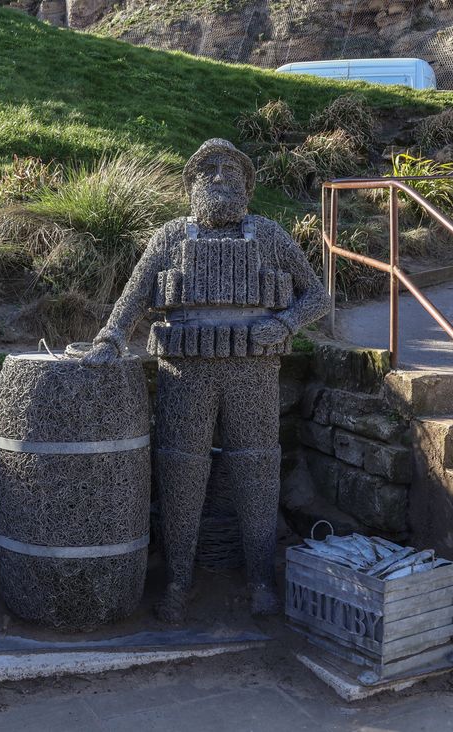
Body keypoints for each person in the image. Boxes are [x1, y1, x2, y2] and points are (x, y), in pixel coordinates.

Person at [83, 138, 329, 622]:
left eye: (231, 170)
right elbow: (132, 298)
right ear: (190, 184)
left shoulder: (272, 236)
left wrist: (282, 324)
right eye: (207, 170)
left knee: (256, 467)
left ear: (247, 186)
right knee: (180, 469)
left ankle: (261, 579)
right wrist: (110, 338)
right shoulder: (170, 237)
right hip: (185, 370)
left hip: (253, 368)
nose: (219, 177)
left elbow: (316, 297)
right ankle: (178, 581)